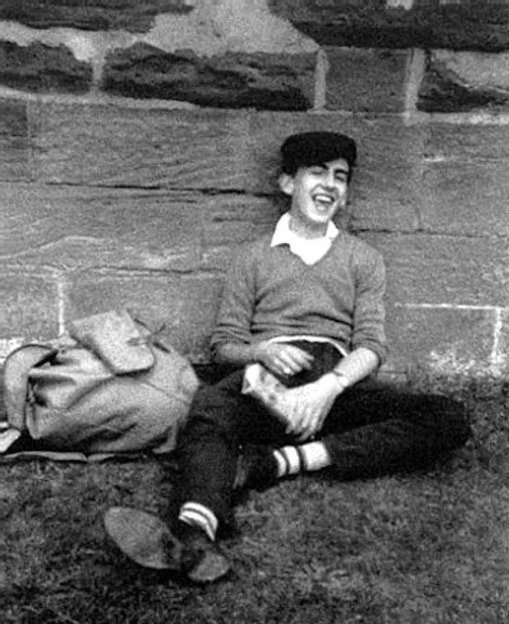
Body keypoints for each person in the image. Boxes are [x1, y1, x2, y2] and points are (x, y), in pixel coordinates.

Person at [104, 131, 470, 583]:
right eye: (317, 172)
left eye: (340, 176)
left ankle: (278, 462)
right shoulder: (252, 258)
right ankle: (194, 532)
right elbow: (224, 344)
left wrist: (328, 388)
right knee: (210, 407)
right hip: (265, 384)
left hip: (335, 385)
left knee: (446, 416)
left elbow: (371, 346)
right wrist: (261, 351)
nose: (330, 185)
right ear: (287, 183)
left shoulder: (364, 259)